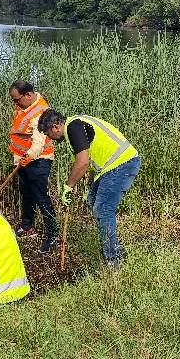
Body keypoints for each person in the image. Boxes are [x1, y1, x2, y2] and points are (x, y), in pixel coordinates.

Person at [37, 110, 140, 267]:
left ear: (56, 126)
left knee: (103, 209)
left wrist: (68, 186)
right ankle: (114, 247)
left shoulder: (73, 127)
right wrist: (90, 187)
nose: (48, 137)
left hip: (122, 164)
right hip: (111, 168)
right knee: (93, 200)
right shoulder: (75, 125)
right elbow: (89, 161)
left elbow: (83, 162)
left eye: (47, 133)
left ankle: (114, 259)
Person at [7, 81, 57, 253]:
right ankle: (27, 226)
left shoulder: (41, 112)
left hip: (39, 160)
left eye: (17, 100)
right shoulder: (24, 106)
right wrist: (19, 158)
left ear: (28, 95)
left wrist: (27, 157)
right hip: (23, 159)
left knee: (40, 196)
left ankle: (53, 235)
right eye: (13, 100)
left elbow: (39, 144)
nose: (15, 103)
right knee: (26, 193)